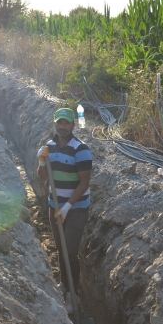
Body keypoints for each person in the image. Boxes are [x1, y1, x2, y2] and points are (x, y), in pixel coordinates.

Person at [36, 108, 93, 305]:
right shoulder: (49, 147)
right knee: (60, 248)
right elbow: (43, 178)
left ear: (73, 125)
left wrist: (67, 207)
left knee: (70, 250)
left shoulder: (81, 149)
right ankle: (64, 284)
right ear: (55, 124)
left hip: (75, 209)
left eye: (66, 123)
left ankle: (73, 293)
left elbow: (84, 183)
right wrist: (42, 161)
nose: (62, 127)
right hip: (54, 205)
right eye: (59, 123)